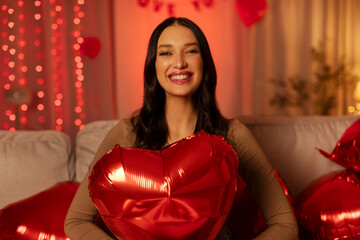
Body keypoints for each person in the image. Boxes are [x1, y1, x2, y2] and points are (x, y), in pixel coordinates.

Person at [64, 17, 298, 239]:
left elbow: (285, 224)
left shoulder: (232, 134)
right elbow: (76, 221)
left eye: (191, 51)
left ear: (204, 62)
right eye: (166, 53)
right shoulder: (129, 133)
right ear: (153, 66)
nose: (179, 63)